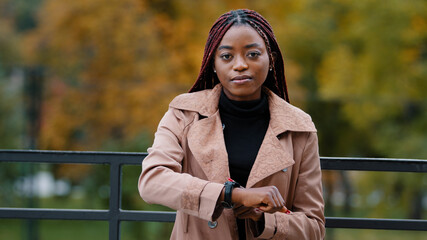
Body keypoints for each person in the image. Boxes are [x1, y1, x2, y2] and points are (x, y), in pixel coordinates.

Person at [138, 9, 325, 240]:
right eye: (227, 56)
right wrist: (233, 195)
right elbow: (152, 181)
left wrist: (264, 220)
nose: (240, 65)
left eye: (253, 54)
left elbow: (314, 228)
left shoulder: (299, 128)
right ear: (213, 64)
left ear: (271, 60)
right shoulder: (185, 114)